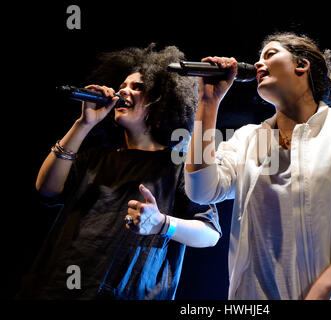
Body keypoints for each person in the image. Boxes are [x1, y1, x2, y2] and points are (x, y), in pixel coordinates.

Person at [184, 32, 331, 300]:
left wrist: (324, 289)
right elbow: (201, 191)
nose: (259, 64)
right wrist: (208, 103)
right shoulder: (247, 139)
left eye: (270, 54)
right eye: (258, 59)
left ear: (302, 65)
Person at [19, 43, 221, 300]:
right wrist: (83, 124)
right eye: (123, 86)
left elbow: (210, 234)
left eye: (137, 87)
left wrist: (162, 223)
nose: (124, 90)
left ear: (162, 103)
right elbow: (46, 187)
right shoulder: (95, 158)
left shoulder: (179, 167)